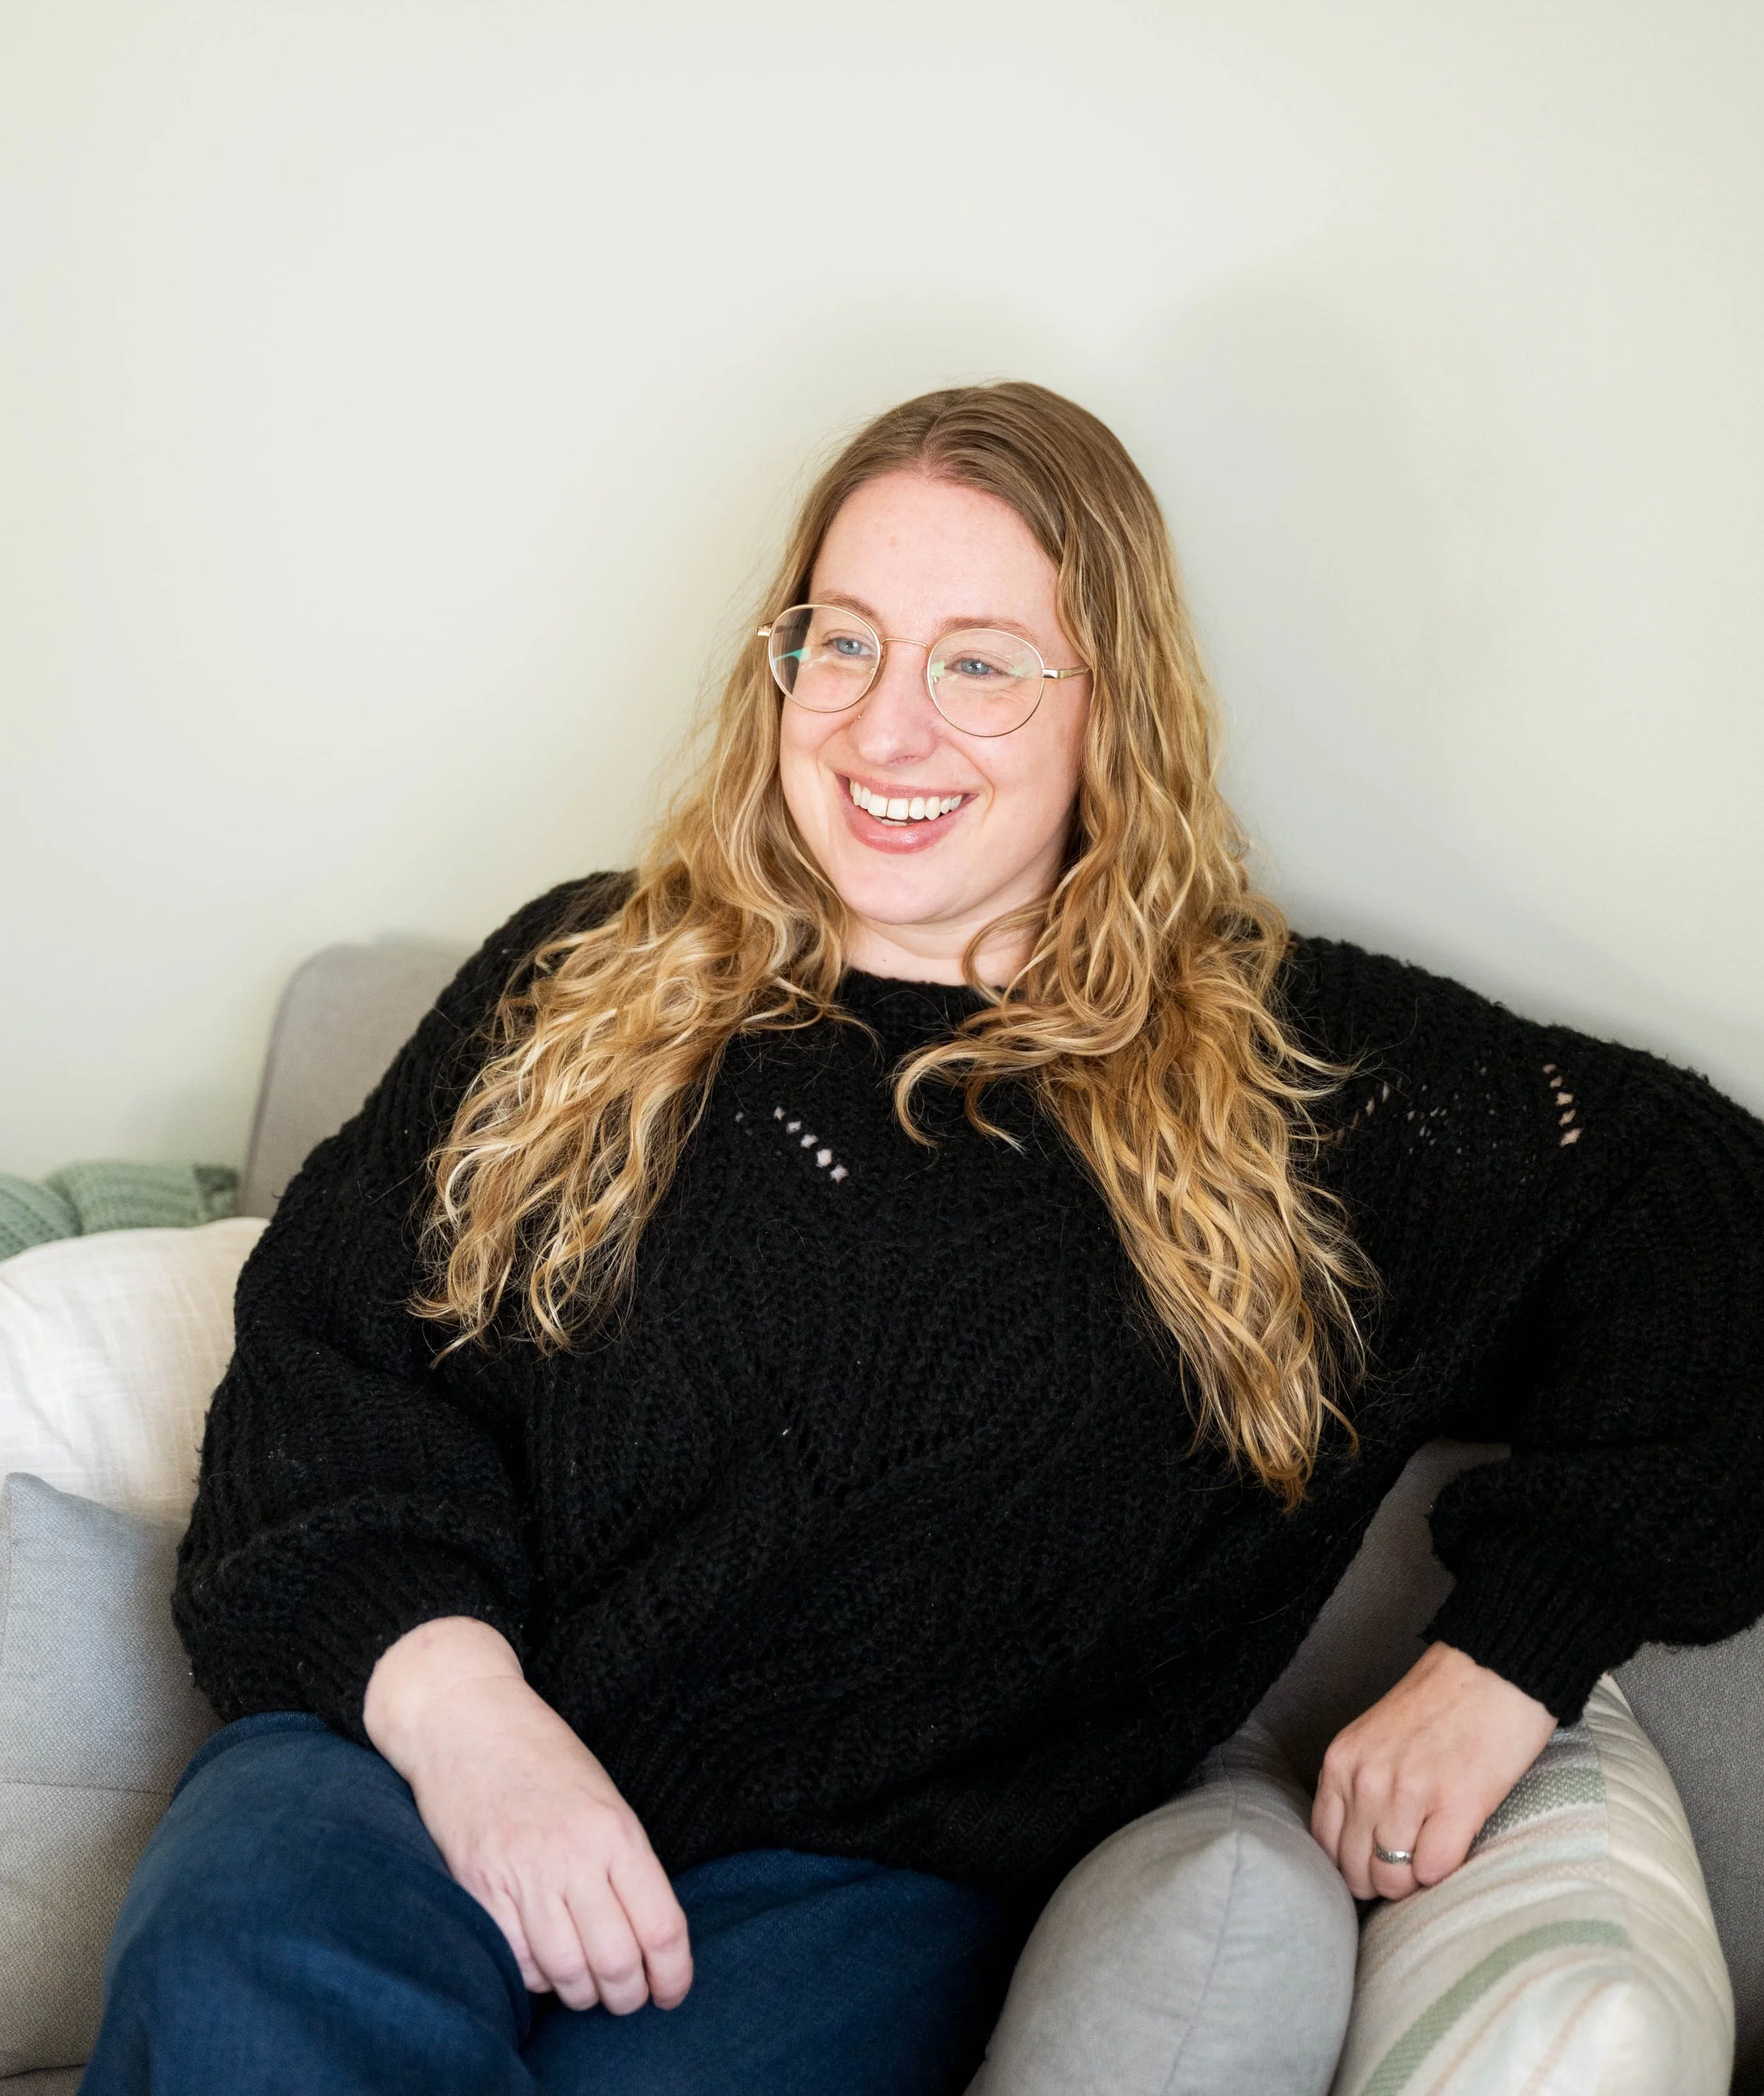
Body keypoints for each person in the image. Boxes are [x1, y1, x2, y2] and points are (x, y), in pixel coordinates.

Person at [86, 382, 1764, 2096]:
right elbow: (330, 1366)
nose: (886, 733)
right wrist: (472, 1729)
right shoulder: (573, 979)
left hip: (857, 1894)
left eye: (979, 662)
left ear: (1108, 705)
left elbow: (1718, 1223)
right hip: (406, 1776)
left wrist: (1510, 1652)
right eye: (844, 644)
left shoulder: (1300, 1084)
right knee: (243, 1994)